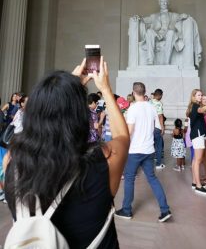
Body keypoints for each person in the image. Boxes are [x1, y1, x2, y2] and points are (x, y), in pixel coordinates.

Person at [4, 57, 130, 248]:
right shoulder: (102, 162)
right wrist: (105, 89)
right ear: (80, 116)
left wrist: (62, 91)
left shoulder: (12, 161)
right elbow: (122, 137)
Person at [115, 82, 171, 223]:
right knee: (152, 178)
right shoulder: (151, 107)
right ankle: (165, 209)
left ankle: (126, 210)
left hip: (135, 150)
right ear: (145, 92)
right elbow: (156, 128)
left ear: (134, 93)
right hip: (149, 149)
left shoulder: (133, 108)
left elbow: (129, 131)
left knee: (129, 178)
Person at [128, 0, 202, 68]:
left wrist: (185, 15)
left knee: (171, 32)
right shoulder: (154, 16)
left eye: (165, 1)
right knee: (149, 32)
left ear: (168, 3)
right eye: (162, 1)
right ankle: (150, 60)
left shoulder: (174, 15)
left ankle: (167, 61)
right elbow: (144, 20)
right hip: (157, 35)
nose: (164, 3)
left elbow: (182, 17)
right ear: (159, 3)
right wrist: (138, 17)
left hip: (169, 35)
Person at [187, 89, 206, 195]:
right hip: (198, 135)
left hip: (198, 135)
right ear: (194, 96)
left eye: (201, 95)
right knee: (198, 160)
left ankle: (195, 182)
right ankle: (198, 185)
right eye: (198, 95)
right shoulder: (195, 106)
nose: (200, 97)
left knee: (196, 159)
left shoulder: (194, 105)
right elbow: (201, 110)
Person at [151, 88, 165, 169]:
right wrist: (162, 127)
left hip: (149, 127)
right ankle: (158, 164)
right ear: (159, 95)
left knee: (150, 145)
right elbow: (160, 116)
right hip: (157, 127)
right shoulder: (159, 103)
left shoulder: (149, 102)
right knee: (158, 146)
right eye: (162, 95)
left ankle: (149, 162)